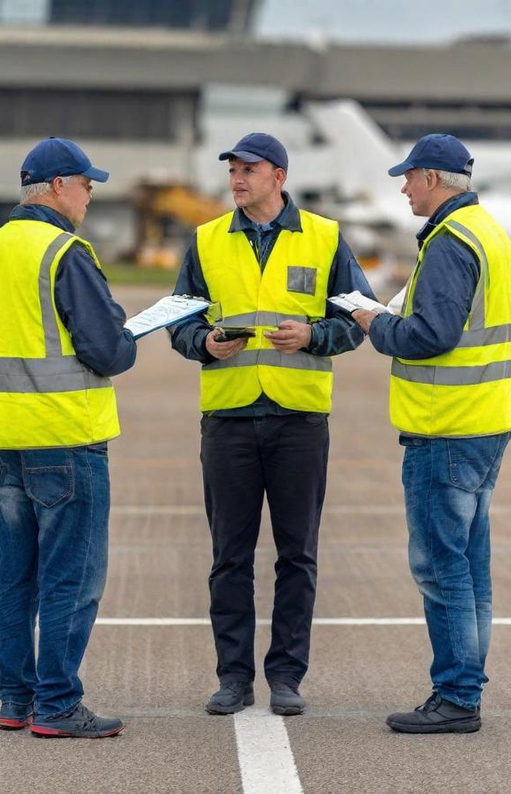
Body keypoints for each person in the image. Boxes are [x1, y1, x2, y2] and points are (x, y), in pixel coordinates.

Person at [169, 132, 375, 716]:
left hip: (298, 419)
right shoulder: (207, 239)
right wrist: (204, 343)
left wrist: (315, 335)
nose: (237, 179)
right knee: (229, 557)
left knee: (297, 556)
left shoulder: (325, 237)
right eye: (233, 170)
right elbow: (177, 320)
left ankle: (286, 676)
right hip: (229, 418)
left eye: (249, 170)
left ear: (279, 177)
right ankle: (233, 678)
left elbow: (361, 317)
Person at [0, 137, 137, 738]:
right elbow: (107, 351)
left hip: (4, 434)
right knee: (72, 578)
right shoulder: (65, 251)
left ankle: (16, 699)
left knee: (17, 577)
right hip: (64, 435)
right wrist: (127, 333)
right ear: (59, 186)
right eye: (87, 185)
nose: (89, 197)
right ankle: (58, 703)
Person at [351, 134, 511, 734]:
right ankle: (464, 689)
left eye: (408, 177)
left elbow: (432, 336)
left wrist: (375, 323)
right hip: (485, 419)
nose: (403, 188)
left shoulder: (450, 241)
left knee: (441, 568)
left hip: (445, 425)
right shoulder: (486, 231)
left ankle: (456, 696)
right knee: (470, 568)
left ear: (431, 178)